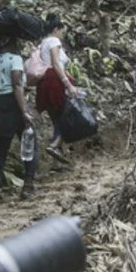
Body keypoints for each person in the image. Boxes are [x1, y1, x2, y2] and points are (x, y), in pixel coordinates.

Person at [0, 38, 33, 204]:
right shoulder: (15, 59)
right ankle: (27, 185)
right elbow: (17, 84)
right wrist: (24, 111)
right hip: (13, 102)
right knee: (28, 143)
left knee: (0, 150)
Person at [26, 16, 79, 168]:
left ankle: (57, 162)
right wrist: (68, 84)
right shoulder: (54, 41)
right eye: (62, 31)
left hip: (44, 83)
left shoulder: (42, 43)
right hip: (54, 82)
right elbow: (56, 64)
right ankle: (55, 145)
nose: (62, 35)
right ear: (56, 29)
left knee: (57, 120)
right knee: (68, 117)